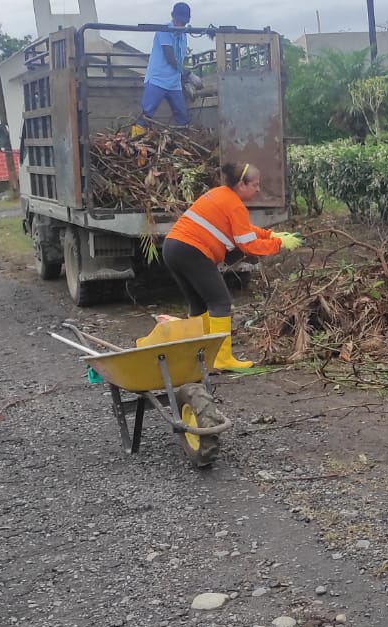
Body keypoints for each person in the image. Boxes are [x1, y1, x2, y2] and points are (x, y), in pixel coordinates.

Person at [162, 162, 302, 370]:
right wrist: (278, 244)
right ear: (241, 185)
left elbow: (242, 228)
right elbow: (248, 245)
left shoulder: (220, 194)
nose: (258, 189)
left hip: (173, 248)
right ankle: (221, 358)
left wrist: (270, 234)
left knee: (199, 305)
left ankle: (200, 357)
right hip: (193, 251)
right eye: (255, 184)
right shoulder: (234, 204)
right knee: (221, 302)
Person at [136, 2, 193, 132]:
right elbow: (170, 58)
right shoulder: (164, 30)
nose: (180, 24)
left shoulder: (184, 36)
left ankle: (183, 141)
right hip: (157, 80)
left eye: (183, 22)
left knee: (182, 116)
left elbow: (179, 60)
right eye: (178, 21)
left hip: (174, 83)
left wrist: (185, 81)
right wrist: (189, 74)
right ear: (172, 16)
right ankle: (135, 140)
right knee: (146, 114)